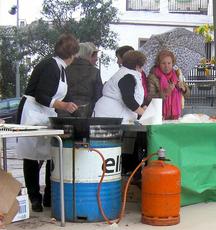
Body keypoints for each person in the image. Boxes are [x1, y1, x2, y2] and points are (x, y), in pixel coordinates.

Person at [16, 33, 79, 212]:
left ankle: (50, 197)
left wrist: (74, 107)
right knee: (31, 156)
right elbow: (42, 95)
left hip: (45, 112)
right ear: (73, 54)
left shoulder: (59, 68)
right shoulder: (51, 66)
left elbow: (63, 94)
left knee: (51, 154)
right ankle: (35, 198)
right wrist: (63, 105)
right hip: (32, 112)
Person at [93, 50, 147, 123]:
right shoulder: (128, 77)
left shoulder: (122, 73)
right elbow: (129, 99)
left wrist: (142, 107)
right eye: (142, 67)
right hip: (111, 116)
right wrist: (145, 113)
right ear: (137, 66)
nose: (142, 70)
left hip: (107, 113)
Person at [61, 42, 103, 117]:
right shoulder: (95, 72)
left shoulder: (64, 69)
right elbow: (98, 96)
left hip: (64, 109)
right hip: (86, 112)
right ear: (88, 54)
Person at [147, 49, 190, 120]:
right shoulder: (153, 77)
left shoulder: (177, 74)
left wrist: (184, 88)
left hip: (175, 116)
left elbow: (187, 95)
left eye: (169, 63)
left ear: (173, 63)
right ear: (158, 64)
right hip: (159, 116)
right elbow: (149, 98)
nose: (166, 66)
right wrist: (165, 92)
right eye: (163, 63)